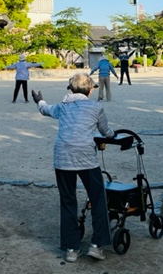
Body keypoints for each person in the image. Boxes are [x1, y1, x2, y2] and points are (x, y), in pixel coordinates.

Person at [31, 73, 115, 263]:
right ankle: (97, 244)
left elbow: (45, 110)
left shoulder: (63, 107)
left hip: (62, 157)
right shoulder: (96, 107)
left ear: (71, 89)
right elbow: (106, 131)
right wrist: (112, 134)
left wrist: (39, 100)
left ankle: (71, 248)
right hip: (86, 158)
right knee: (98, 198)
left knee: (68, 201)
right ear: (91, 90)